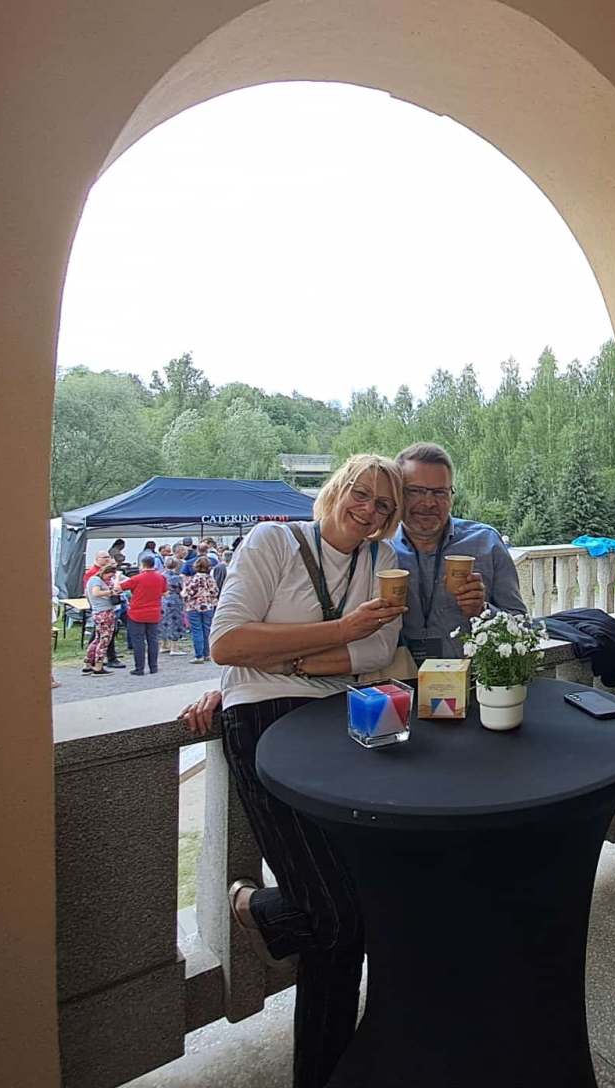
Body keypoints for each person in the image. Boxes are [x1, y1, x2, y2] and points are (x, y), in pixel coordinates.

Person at [176, 454, 407, 1087]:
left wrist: (288, 658)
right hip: (264, 718)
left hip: (339, 719)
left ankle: (265, 911)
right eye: (362, 493)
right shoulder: (273, 541)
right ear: (338, 489)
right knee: (341, 916)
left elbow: (378, 650)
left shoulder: (382, 562)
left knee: (355, 903)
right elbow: (227, 643)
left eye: (384, 505)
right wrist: (339, 632)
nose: (369, 510)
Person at [389, 442, 526, 661]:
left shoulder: (486, 542)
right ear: (397, 493)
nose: (429, 502)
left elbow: (522, 627)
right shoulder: (380, 549)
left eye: (439, 492)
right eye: (415, 491)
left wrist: (482, 610)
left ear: (451, 495)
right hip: (399, 679)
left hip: (472, 678)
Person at [122, 553, 168, 675]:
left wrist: (117, 578)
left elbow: (120, 588)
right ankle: (153, 667)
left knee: (138, 641)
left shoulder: (137, 578)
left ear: (142, 565)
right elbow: (164, 592)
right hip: (154, 612)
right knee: (153, 640)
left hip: (137, 613)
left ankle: (139, 668)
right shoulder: (161, 578)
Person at [82, 563, 121, 675]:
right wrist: (110, 592)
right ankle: (98, 666)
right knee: (104, 640)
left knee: (97, 639)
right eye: (109, 576)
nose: (110, 578)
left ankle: (88, 663)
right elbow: (96, 593)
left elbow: (88, 594)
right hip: (104, 612)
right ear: (104, 572)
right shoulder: (96, 581)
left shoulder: (92, 580)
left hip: (98, 611)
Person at [182, 555, 220, 663]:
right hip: (208, 606)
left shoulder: (195, 579)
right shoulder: (210, 579)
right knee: (207, 630)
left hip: (194, 607)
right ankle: (207, 654)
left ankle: (199, 656)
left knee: (197, 630)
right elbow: (215, 592)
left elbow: (188, 592)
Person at [159, 555, 186, 656]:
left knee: (163, 622)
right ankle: (174, 648)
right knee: (175, 622)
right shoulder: (177, 577)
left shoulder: (161, 576)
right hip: (174, 600)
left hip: (163, 600)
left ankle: (163, 645)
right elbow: (181, 589)